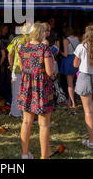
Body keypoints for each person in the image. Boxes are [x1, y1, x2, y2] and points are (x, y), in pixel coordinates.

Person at [17, 22, 55, 159]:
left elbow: (22, 68)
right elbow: (50, 72)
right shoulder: (44, 49)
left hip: (27, 86)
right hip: (41, 87)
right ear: (41, 33)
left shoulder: (22, 48)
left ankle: (25, 154)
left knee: (26, 121)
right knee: (44, 124)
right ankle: (45, 157)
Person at [7, 23, 33, 117]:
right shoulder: (33, 41)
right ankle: (26, 111)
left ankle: (15, 112)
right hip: (30, 69)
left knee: (16, 91)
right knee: (28, 91)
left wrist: (10, 64)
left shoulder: (16, 40)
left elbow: (10, 53)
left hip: (17, 69)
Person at [60, 27, 80, 108]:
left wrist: (59, 50)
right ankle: (69, 101)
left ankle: (72, 103)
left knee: (70, 84)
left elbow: (65, 54)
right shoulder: (77, 39)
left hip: (68, 60)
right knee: (74, 82)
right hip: (75, 59)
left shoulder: (65, 40)